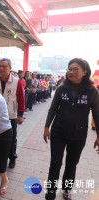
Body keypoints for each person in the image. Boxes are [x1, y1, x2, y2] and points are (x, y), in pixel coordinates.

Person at [43, 58, 99, 200]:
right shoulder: (61, 89)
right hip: (58, 132)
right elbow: (53, 109)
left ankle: (67, 190)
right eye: (70, 69)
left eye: (75, 69)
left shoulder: (92, 91)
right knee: (55, 163)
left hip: (78, 134)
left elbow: (97, 114)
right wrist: (46, 127)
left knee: (71, 164)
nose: (71, 72)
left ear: (84, 72)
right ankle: (50, 193)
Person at [0, 58, 25, 169]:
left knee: (12, 138)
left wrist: (20, 114)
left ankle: (12, 158)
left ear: (10, 68)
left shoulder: (16, 81)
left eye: (4, 66)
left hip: (11, 115)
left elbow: (21, 99)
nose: (1, 69)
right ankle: (0, 159)